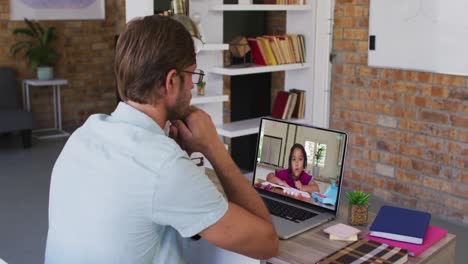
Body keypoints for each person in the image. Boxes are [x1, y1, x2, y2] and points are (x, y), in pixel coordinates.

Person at [45, 15, 278, 264]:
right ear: (171, 82)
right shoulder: (163, 167)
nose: (192, 87)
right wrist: (213, 147)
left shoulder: (83, 134)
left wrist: (174, 157)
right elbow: (267, 243)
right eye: (192, 75)